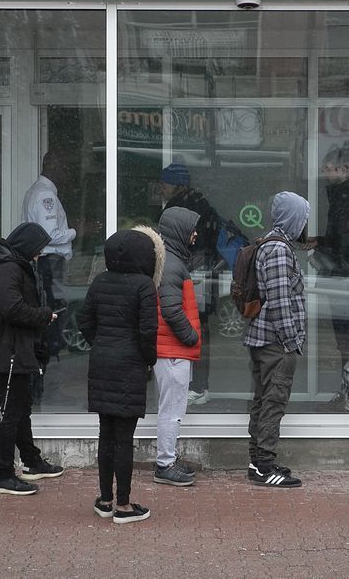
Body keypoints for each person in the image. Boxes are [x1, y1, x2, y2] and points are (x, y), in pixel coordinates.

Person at [78, 227, 162, 523]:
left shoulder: (100, 281)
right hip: (130, 365)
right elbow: (148, 330)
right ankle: (124, 506)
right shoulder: (144, 286)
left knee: (106, 434)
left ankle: (104, 499)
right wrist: (148, 360)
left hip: (101, 362)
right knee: (124, 438)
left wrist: (100, 343)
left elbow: (84, 319)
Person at [0, 222, 65, 496]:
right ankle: (3, 475)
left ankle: (31, 460)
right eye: (37, 250)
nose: (39, 256)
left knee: (19, 407)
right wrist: (43, 315)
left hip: (13, 351)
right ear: (27, 248)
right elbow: (12, 309)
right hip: (6, 353)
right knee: (8, 413)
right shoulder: (6, 269)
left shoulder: (10, 265)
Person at [244, 191, 310, 488]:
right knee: (273, 401)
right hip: (275, 343)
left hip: (264, 340)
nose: (305, 223)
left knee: (263, 400)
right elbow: (281, 301)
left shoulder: (268, 243)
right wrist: (291, 341)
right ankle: (264, 466)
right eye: (303, 217)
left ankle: (258, 462)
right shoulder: (279, 250)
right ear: (294, 217)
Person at [158, 162, 218, 406]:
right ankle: (198, 384)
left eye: (164, 183)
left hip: (193, 275)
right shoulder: (202, 202)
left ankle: (195, 385)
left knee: (191, 330)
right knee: (200, 328)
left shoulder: (178, 207)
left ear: (176, 185)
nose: (161, 188)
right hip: (203, 273)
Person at [23, 151, 77, 405]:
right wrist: (76, 231)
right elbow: (50, 235)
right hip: (50, 262)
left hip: (48, 263)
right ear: (52, 166)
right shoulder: (45, 195)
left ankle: (42, 384)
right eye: (64, 166)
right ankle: (42, 385)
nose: (67, 173)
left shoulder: (40, 192)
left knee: (52, 319)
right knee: (52, 320)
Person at [153, 207, 201, 487]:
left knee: (172, 407)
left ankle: (168, 458)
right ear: (179, 230)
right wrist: (191, 336)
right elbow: (171, 310)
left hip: (172, 349)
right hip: (173, 350)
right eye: (191, 229)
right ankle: (165, 464)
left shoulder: (170, 260)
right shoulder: (171, 264)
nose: (195, 234)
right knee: (171, 409)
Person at [312, 145, 349, 367]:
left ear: (343, 169)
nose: (324, 173)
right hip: (345, 274)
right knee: (345, 334)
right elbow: (340, 236)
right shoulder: (343, 196)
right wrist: (319, 242)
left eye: (328, 168)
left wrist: (323, 255)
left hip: (344, 276)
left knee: (346, 335)